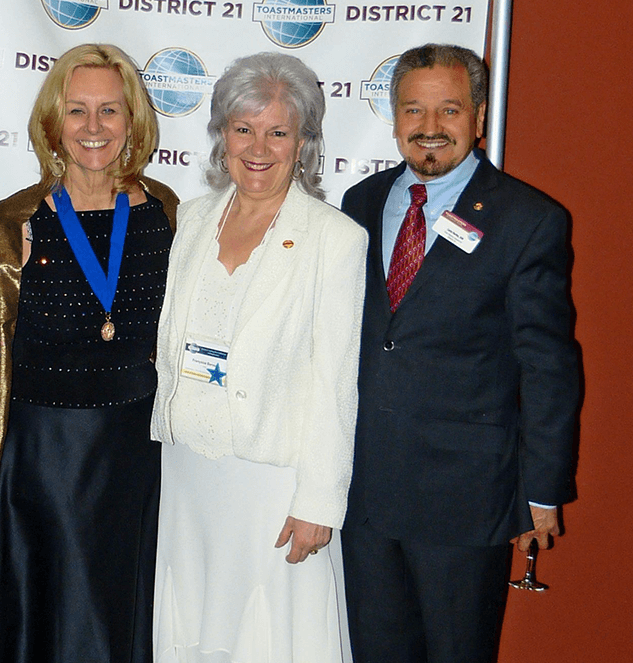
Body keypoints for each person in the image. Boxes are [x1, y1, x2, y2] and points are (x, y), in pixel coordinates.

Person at [340, 43, 581, 663]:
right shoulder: (358, 206)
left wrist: (541, 489)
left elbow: (549, 366)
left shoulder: (528, 220)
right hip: (365, 495)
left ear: (477, 117)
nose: (428, 129)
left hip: (466, 498)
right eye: (413, 110)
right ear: (393, 117)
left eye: (448, 111)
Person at [151, 52, 368, 662]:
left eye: (278, 131)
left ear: (303, 143)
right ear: (221, 135)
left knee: (268, 639)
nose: (258, 146)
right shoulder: (189, 221)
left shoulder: (335, 238)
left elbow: (335, 383)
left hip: (274, 485)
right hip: (189, 473)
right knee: (190, 629)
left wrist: (319, 503)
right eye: (243, 128)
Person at [0, 44, 178, 663]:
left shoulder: (165, 212)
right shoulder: (16, 221)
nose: (92, 128)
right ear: (52, 124)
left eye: (109, 110)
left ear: (133, 120)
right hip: (44, 457)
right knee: (53, 610)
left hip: (138, 450)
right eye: (76, 111)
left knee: (122, 605)